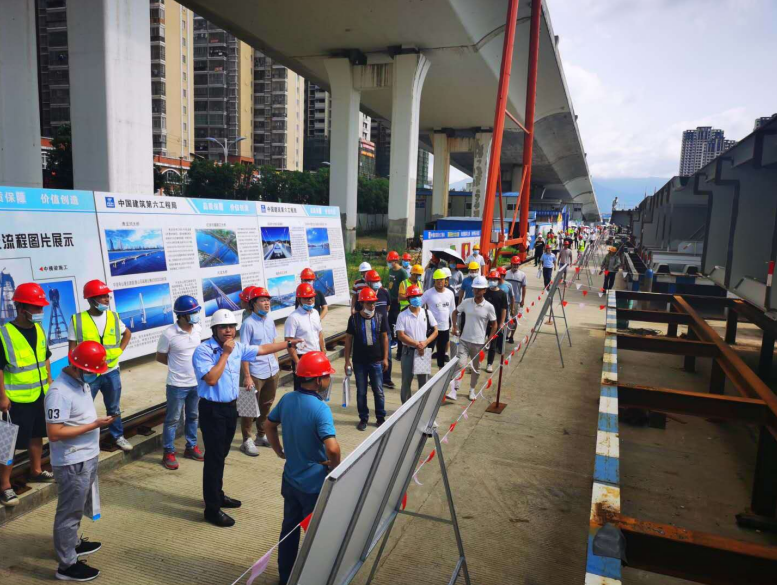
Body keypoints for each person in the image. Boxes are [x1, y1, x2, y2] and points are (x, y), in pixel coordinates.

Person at [192, 309, 299, 527]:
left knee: (221, 455)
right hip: (212, 410)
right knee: (213, 459)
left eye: (231, 327)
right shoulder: (203, 351)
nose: (228, 331)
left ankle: (217, 495)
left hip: (231, 408)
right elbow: (211, 379)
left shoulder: (238, 347)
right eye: (223, 327)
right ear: (214, 329)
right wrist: (225, 354)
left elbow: (262, 349)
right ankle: (212, 509)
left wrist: (288, 344)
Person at [265, 352, 340, 585]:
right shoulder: (320, 409)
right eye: (327, 376)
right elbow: (333, 448)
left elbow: (269, 425)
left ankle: (286, 577)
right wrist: (335, 468)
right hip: (313, 486)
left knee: (289, 530)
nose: (328, 380)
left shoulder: (287, 399)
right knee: (316, 535)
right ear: (318, 380)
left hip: (290, 480)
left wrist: (279, 450)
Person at [45, 341, 115, 582]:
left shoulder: (80, 382)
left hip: (86, 456)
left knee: (76, 507)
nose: (95, 375)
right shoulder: (58, 392)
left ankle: (72, 543)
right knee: (69, 512)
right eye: (92, 371)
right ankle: (66, 565)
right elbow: (54, 433)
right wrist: (94, 425)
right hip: (72, 461)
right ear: (77, 367)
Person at [0, 283, 54, 507]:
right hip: (16, 400)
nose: (40, 311)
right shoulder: (4, 334)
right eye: (36, 307)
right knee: (8, 443)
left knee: (37, 435)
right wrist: (2, 397)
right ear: (22, 309)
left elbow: (45, 357)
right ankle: (5, 486)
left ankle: (36, 471)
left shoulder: (38, 329)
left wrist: (50, 383)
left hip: (40, 394)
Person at [68, 280, 132, 452]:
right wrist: (74, 370)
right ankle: (85, 438)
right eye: (102, 296)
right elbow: (72, 347)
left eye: (107, 296)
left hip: (111, 371)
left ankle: (118, 436)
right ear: (90, 299)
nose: (106, 299)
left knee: (113, 407)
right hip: (89, 373)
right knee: (83, 407)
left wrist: (119, 351)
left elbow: (127, 333)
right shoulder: (78, 320)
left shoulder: (113, 317)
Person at [156, 295, 204, 470]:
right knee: (173, 420)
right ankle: (168, 452)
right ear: (182, 316)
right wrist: (178, 367)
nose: (196, 315)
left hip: (195, 383)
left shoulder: (198, 329)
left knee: (193, 416)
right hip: (176, 385)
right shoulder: (169, 334)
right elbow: (160, 357)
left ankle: (191, 447)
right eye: (193, 313)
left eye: (196, 311)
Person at [239, 287, 281, 456]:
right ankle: (246, 440)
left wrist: (276, 364)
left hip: (271, 370)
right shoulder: (247, 324)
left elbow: (273, 343)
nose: (267, 303)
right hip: (255, 372)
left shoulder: (270, 320)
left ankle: (261, 435)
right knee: (248, 407)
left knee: (266, 405)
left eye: (268, 300)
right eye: (262, 300)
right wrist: (247, 376)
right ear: (253, 304)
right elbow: (243, 352)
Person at [344, 288, 389, 431]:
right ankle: (363, 418)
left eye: (374, 302)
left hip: (376, 361)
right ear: (362, 303)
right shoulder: (353, 319)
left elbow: (385, 338)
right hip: (359, 362)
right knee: (361, 391)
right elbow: (348, 340)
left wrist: (385, 358)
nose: (372, 305)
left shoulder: (380, 317)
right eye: (369, 303)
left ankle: (380, 418)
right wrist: (347, 361)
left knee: (379, 391)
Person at [450, 276, 496, 401]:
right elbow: (455, 312)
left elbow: (494, 324)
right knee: (460, 364)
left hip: (479, 343)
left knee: (476, 368)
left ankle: (472, 389)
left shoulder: (489, 307)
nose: (476, 291)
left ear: (484, 290)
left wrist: (489, 339)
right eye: (475, 288)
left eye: (479, 289)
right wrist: (454, 327)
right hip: (464, 340)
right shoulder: (466, 302)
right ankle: (454, 390)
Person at [395, 285, 438, 404]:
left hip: (422, 352)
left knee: (424, 382)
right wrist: (417, 344)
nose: (416, 299)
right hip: (408, 352)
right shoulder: (402, 315)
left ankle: (422, 407)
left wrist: (425, 343)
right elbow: (401, 335)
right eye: (413, 296)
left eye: (418, 296)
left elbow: (435, 331)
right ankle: (406, 407)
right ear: (408, 299)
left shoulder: (427, 313)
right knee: (406, 381)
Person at [285, 283, 325, 391]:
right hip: (302, 358)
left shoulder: (315, 313)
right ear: (299, 299)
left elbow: (319, 334)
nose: (310, 300)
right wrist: (297, 362)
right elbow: (289, 342)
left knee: (317, 387)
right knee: (302, 390)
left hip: (317, 356)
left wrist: (323, 352)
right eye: (306, 298)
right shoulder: (293, 318)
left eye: (311, 297)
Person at [364, 270, 395, 389]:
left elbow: (388, 307)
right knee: (373, 356)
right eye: (374, 281)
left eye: (377, 281)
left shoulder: (384, 292)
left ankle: (386, 379)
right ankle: (374, 379)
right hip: (371, 330)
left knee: (388, 356)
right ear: (368, 282)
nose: (377, 283)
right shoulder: (364, 294)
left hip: (385, 330)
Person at [422, 269, 456, 369]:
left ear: (445, 280)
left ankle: (440, 371)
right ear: (434, 281)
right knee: (428, 349)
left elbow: (452, 310)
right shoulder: (428, 293)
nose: (439, 282)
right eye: (437, 280)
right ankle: (424, 371)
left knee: (441, 351)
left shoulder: (450, 293)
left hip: (444, 328)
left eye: (441, 279)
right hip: (431, 328)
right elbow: (419, 306)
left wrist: (454, 326)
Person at [484, 271, 508, 374]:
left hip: (495, 323)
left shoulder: (502, 294)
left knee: (492, 344)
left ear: (498, 280)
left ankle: (489, 363)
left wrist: (501, 323)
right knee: (480, 343)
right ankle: (477, 362)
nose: (492, 281)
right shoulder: (485, 292)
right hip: (484, 322)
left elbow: (504, 309)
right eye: (491, 279)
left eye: (494, 279)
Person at [386, 251, 408, 350]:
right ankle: (391, 337)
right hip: (390, 299)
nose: (389, 263)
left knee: (395, 320)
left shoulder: (402, 272)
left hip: (397, 300)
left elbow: (406, 285)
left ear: (395, 261)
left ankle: (395, 339)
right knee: (390, 319)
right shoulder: (390, 270)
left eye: (390, 261)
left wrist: (401, 297)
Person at [504, 256, 527, 343]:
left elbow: (524, 288)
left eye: (517, 264)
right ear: (511, 264)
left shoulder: (522, 275)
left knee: (514, 319)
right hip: (505, 300)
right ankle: (505, 335)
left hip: (516, 301)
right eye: (514, 264)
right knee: (505, 319)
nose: (516, 266)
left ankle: (511, 336)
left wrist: (523, 300)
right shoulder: (506, 273)